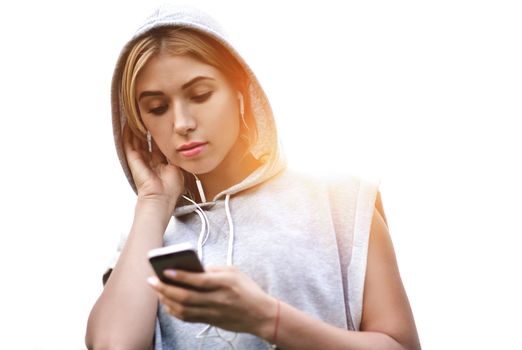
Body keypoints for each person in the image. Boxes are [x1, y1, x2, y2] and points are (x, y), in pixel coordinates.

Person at [85, 5, 421, 350]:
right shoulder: (146, 240)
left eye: (200, 95)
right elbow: (113, 346)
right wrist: (153, 203)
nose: (181, 122)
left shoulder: (340, 202)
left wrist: (267, 318)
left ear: (241, 92)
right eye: (157, 108)